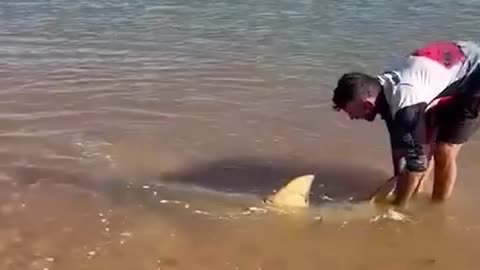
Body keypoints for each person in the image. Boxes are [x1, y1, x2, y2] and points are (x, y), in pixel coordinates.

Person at [331, 40, 480, 207]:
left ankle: (436, 208)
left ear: (367, 105)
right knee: (422, 146)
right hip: (444, 72)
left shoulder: (406, 104)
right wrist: (397, 181)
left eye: (350, 112)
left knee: (443, 150)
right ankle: (416, 192)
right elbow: (400, 148)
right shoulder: (385, 96)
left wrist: (397, 206)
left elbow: (416, 164)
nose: (351, 117)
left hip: (474, 74)